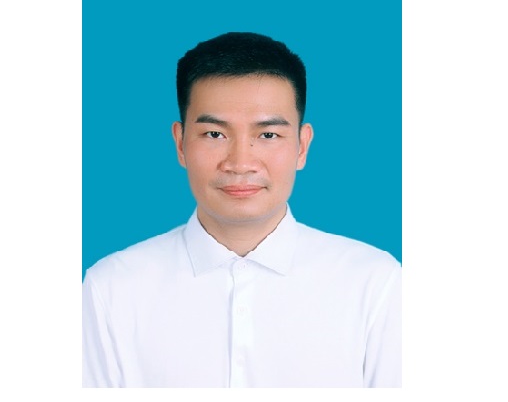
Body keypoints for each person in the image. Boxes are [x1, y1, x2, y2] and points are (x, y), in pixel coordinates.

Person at [82, 32, 401, 388]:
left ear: (302, 146)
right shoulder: (112, 289)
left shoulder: (374, 284)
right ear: (180, 143)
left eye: (268, 135)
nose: (240, 163)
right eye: (214, 134)